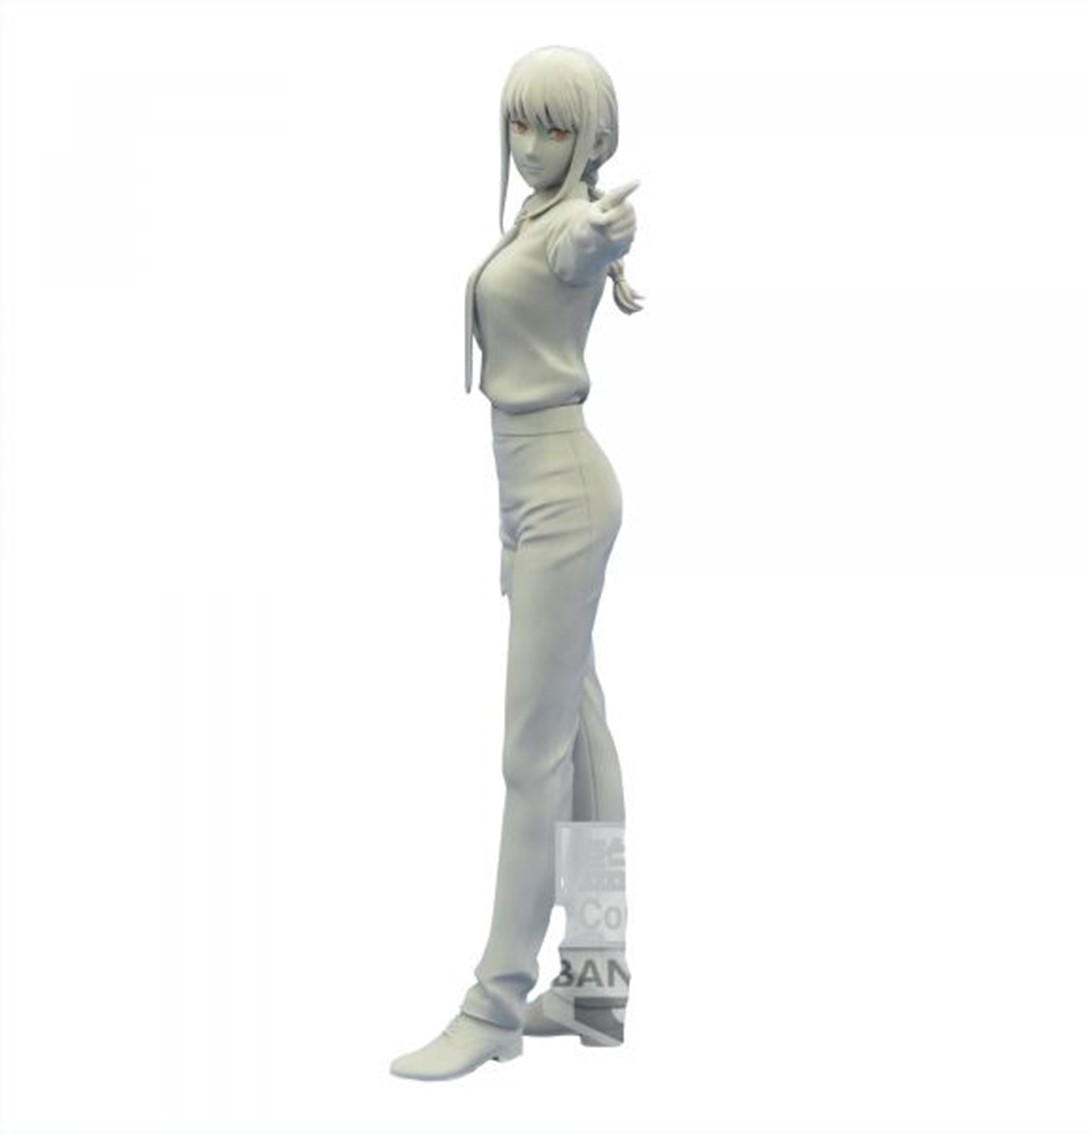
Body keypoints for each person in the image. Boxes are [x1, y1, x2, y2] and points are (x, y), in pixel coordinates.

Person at [390, 44, 643, 1082]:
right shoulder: (536, 219)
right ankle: (595, 983)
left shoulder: (571, 226)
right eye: (520, 123)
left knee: (529, 756)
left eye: (554, 126)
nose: (531, 143)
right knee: (576, 737)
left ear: (591, 138)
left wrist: (605, 228)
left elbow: (588, 243)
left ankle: (495, 1000)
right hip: (531, 496)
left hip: (562, 496)